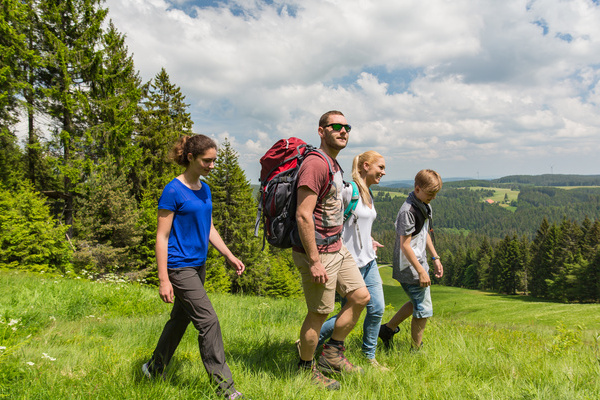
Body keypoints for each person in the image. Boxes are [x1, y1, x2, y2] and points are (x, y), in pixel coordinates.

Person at [141, 134, 248, 400]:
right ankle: (225, 389)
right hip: (179, 267)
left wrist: (228, 255)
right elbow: (161, 237)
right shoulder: (173, 190)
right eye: (206, 161)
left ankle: (154, 368)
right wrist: (163, 279)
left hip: (198, 266)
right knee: (208, 321)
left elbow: (208, 227)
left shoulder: (205, 189)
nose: (211, 165)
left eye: (214, 160)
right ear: (190, 158)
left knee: (180, 320)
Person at [294, 111, 371, 390]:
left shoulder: (333, 164)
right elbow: (304, 215)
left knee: (361, 296)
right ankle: (305, 370)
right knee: (319, 313)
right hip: (319, 253)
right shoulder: (315, 164)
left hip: (336, 247)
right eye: (336, 126)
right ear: (321, 131)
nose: (343, 131)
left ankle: (331, 354)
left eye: (346, 127)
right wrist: (314, 260)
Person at [318, 150, 389, 370]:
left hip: (369, 261)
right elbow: (331, 221)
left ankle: (369, 356)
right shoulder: (348, 190)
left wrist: (370, 240)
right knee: (349, 311)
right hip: (349, 263)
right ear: (366, 166)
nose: (383, 173)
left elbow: (358, 224)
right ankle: (310, 341)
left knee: (377, 308)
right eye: (381, 168)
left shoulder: (368, 193)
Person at [378, 169, 444, 351]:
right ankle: (416, 349)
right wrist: (421, 271)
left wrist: (435, 257)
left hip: (420, 263)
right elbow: (405, 245)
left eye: (435, 193)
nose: (434, 197)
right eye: (431, 193)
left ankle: (387, 329)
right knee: (423, 309)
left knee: (418, 302)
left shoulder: (424, 204)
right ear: (417, 189)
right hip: (410, 267)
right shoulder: (408, 211)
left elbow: (424, 233)